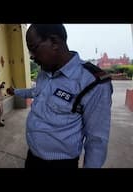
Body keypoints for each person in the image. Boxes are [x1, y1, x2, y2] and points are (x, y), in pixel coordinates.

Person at [7, 24, 113, 168]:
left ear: (54, 42)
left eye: (33, 48)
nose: (32, 57)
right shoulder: (44, 71)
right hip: (32, 157)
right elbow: (36, 92)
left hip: (61, 164)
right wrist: (16, 92)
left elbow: (97, 140)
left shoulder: (91, 82)